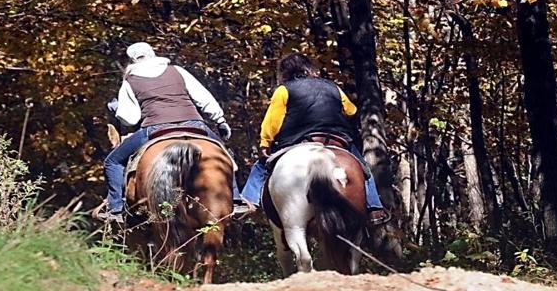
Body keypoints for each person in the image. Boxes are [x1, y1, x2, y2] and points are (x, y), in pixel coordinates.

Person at [94, 43, 234, 225]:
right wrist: (220, 120)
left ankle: (115, 209)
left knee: (112, 162)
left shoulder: (130, 80)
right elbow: (204, 97)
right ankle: (236, 199)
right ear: (152, 54)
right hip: (194, 124)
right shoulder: (177, 71)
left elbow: (130, 118)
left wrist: (117, 110)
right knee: (225, 155)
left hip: (155, 128)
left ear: (132, 60)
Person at [238, 53, 387, 223]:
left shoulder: (284, 90)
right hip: (337, 139)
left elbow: (273, 121)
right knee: (363, 168)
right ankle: (375, 207)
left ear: (285, 72)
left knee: (260, 167)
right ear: (309, 68)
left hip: (299, 140)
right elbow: (351, 110)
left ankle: (249, 202)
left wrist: (266, 142)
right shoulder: (332, 87)